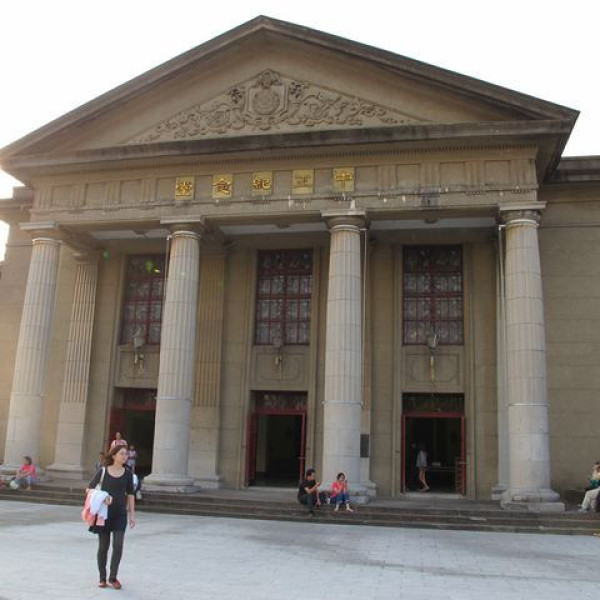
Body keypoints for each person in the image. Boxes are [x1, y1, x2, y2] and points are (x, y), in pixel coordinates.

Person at [88, 444, 136, 589]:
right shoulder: (103, 471)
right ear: (114, 455)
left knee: (118, 545)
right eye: (122, 454)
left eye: (126, 454)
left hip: (120, 513)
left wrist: (132, 515)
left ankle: (113, 577)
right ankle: (102, 578)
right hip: (104, 513)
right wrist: (102, 497)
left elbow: (131, 494)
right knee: (104, 546)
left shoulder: (128, 474)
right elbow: (89, 488)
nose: (125, 456)